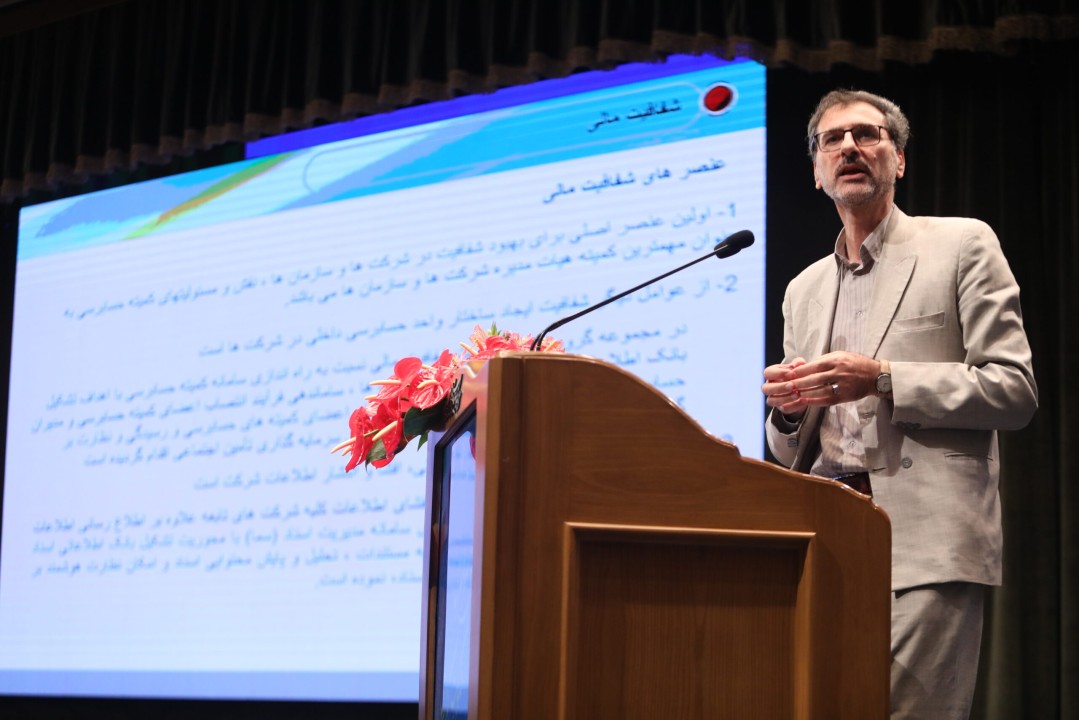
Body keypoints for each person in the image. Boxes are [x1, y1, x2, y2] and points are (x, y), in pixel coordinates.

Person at [761, 89, 1037, 720]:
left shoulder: (962, 244)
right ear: (816, 171)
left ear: (899, 159)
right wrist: (788, 410)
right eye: (832, 140)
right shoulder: (803, 289)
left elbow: (1013, 389)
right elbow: (787, 448)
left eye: (867, 134)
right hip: (825, 537)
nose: (849, 148)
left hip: (925, 540)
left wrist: (883, 378)